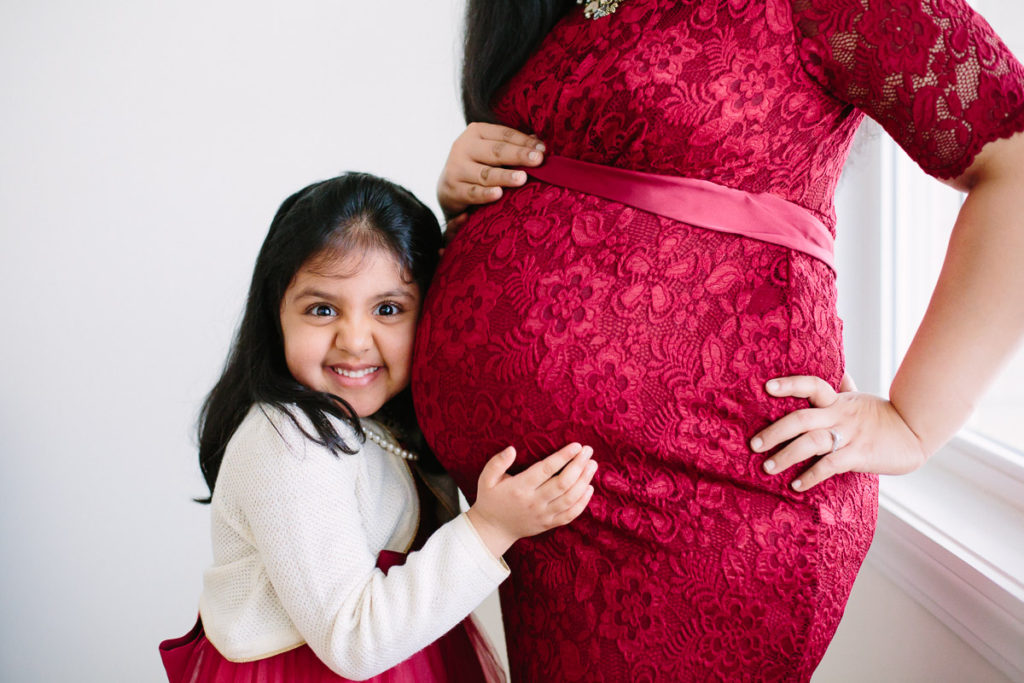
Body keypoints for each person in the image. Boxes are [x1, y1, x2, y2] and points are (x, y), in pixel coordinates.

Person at [412, 1, 1024, 680]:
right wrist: (469, 189)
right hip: (545, 512)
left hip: (701, 502)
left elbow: (1017, 158)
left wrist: (915, 423)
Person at [158, 172, 598, 683]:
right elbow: (353, 642)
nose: (355, 340)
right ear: (275, 313)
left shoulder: (382, 424)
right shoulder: (287, 439)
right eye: (322, 309)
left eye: (388, 309)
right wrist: (491, 528)